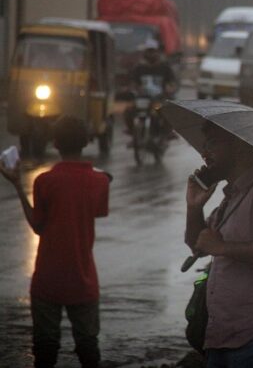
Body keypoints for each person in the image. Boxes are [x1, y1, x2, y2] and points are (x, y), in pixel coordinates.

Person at [0, 116, 110, 368]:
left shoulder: (44, 181)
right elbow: (97, 211)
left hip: (47, 280)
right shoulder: (101, 181)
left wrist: (18, 185)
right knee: (88, 348)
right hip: (83, 280)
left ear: (55, 143)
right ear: (86, 142)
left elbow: (38, 226)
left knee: (45, 349)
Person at [185, 122, 253, 368]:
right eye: (205, 145)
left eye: (213, 143)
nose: (205, 153)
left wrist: (222, 248)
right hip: (220, 336)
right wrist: (194, 207)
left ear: (240, 147)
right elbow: (198, 245)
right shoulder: (230, 198)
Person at [125, 39, 177, 135]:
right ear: (145, 52)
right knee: (129, 111)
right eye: (149, 51)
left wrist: (170, 88)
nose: (151, 54)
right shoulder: (139, 67)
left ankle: (167, 134)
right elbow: (133, 81)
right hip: (143, 98)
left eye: (153, 51)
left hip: (159, 99)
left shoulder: (165, 67)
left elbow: (172, 82)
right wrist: (133, 89)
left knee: (168, 113)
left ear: (157, 52)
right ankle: (133, 132)